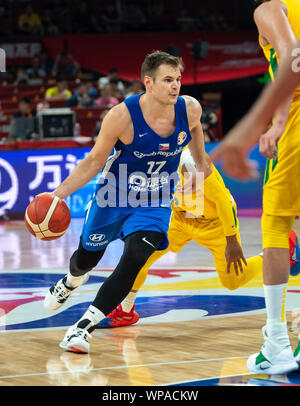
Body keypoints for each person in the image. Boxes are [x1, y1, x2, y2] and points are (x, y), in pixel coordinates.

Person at [43, 50, 211, 354]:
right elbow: (94, 161)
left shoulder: (191, 110)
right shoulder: (121, 116)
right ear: (148, 82)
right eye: (168, 80)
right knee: (86, 259)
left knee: (135, 257)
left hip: (156, 200)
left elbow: (200, 155)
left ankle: (82, 328)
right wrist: (57, 195)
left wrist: (199, 174)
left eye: (178, 80)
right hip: (114, 196)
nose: (176, 86)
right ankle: (69, 282)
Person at [96, 149, 298, 328]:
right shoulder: (146, 159)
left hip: (215, 223)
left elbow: (223, 200)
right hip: (180, 219)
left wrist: (231, 240)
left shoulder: (190, 160)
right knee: (139, 259)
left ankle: (277, 255)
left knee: (232, 281)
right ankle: (126, 310)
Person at [211, 0, 300, 375]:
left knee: (277, 226)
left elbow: (293, 57)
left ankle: (276, 343)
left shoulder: (269, 7)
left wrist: (269, 124)